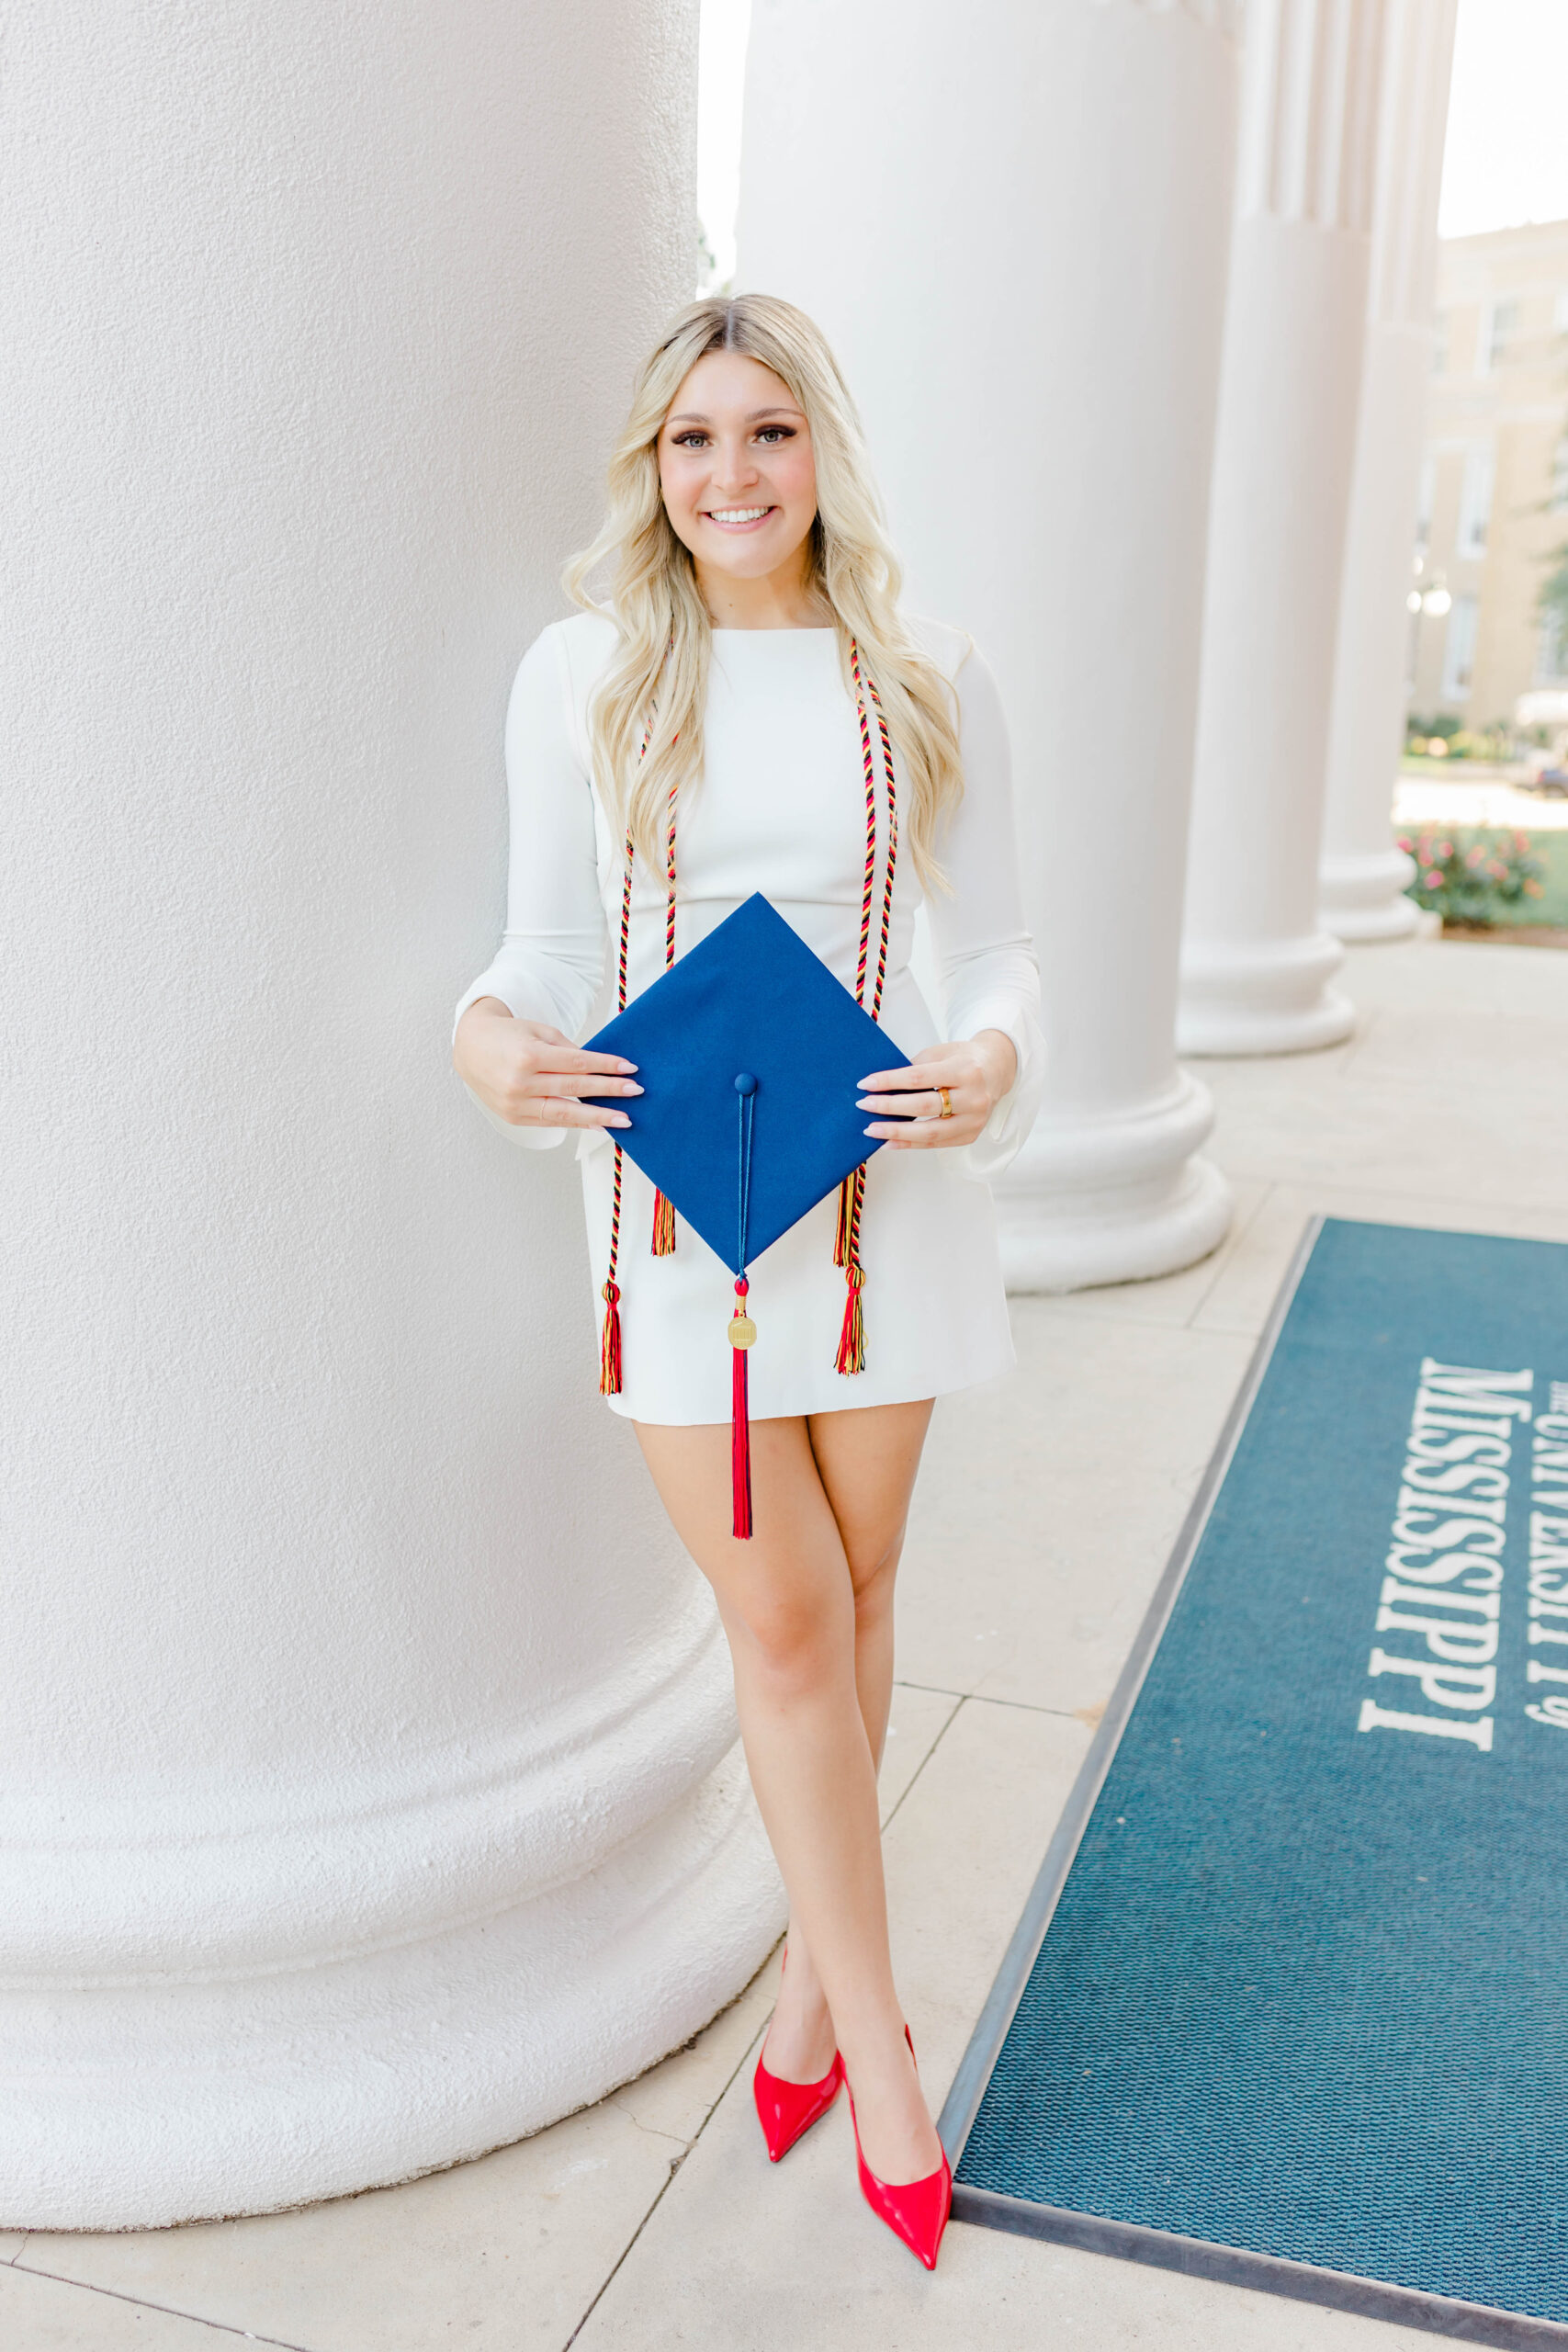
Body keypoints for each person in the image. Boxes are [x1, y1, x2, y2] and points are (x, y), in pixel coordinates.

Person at [452, 293, 1043, 2269]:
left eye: (767, 432)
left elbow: (997, 953)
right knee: (782, 1620)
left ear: (821, 453)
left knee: (861, 1599)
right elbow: (539, 943)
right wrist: (487, 1038)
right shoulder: (588, 670)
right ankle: (879, 2043)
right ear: (651, 466)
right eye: (692, 439)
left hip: (885, 1207)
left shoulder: (925, 667)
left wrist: (992, 1060)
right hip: (678, 1226)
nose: (730, 474)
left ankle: (802, 1989)